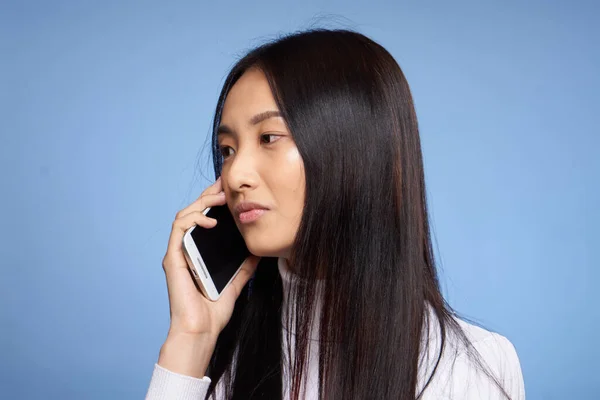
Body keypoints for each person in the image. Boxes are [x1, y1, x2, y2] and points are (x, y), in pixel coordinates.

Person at [145, 28, 525, 400]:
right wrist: (190, 338)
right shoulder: (217, 363)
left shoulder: (465, 367)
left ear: (354, 153)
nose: (235, 175)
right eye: (227, 149)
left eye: (268, 138)